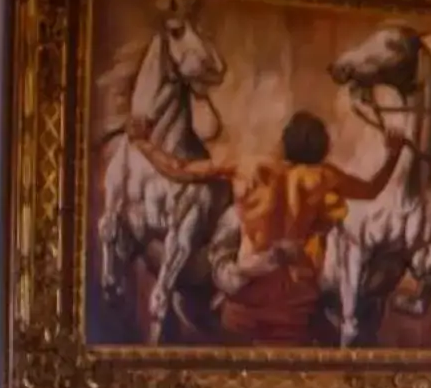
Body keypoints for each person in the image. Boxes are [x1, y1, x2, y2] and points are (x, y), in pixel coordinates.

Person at [133, 110, 405, 345]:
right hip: (294, 306)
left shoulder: (247, 166)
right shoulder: (324, 177)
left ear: (285, 140)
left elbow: (180, 169)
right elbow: (371, 189)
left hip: (245, 298)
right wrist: (393, 153)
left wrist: (143, 142)